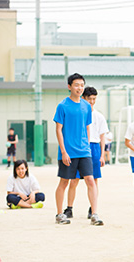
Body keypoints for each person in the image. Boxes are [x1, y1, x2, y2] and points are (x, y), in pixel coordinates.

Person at [53, 73, 103, 226]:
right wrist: (63, 151)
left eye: (82, 85)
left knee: (90, 180)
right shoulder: (63, 106)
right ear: (69, 86)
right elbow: (58, 129)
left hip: (84, 151)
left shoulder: (86, 106)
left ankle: (94, 214)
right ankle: (60, 214)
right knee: (64, 182)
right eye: (76, 85)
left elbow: (87, 128)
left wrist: (87, 145)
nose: (79, 88)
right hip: (68, 152)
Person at [63, 87, 109, 219]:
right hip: (79, 147)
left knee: (93, 181)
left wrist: (102, 155)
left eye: (94, 99)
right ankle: (69, 208)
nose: (92, 101)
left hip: (94, 148)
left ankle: (92, 209)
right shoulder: (78, 113)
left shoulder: (99, 116)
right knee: (74, 180)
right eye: (90, 99)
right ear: (84, 98)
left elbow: (102, 137)